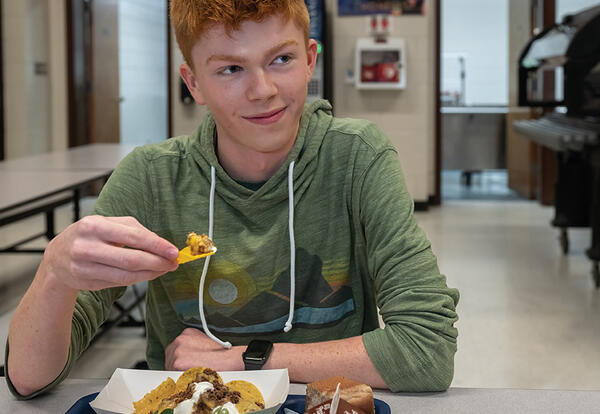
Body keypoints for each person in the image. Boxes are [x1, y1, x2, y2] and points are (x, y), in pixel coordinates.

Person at [6, 0, 459, 399]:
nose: (262, 90)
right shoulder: (151, 178)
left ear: (309, 60)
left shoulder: (357, 158)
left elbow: (426, 349)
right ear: (194, 83)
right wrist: (54, 273)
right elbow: (28, 380)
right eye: (230, 69)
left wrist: (246, 359)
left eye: (280, 58)